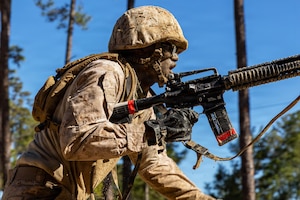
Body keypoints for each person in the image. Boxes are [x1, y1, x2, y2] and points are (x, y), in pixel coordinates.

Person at [3, 5, 215, 200]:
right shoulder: (106, 71)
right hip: (37, 188)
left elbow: (154, 165)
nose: (176, 58)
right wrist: (151, 132)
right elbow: (78, 140)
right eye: (171, 48)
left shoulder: (142, 100)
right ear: (145, 50)